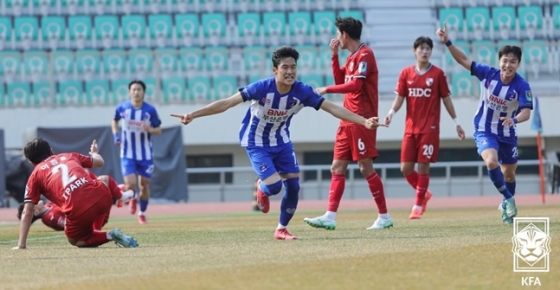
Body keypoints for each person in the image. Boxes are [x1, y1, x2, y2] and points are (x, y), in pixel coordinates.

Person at [171, 46, 384, 240]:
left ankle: (281, 228)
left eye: (293, 67)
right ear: (275, 70)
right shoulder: (261, 88)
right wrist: (193, 114)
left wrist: (363, 121)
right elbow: (226, 103)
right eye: (285, 68)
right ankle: (262, 188)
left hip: (282, 142)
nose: (290, 72)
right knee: (274, 186)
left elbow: (333, 108)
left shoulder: (302, 91)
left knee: (293, 186)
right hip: (256, 141)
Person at [437, 25, 533, 224]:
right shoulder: (488, 74)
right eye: (505, 61)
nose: (508, 65)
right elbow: (463, 60)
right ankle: (509, 200)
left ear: (518, 64)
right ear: (499, 62)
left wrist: (513, 120)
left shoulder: (522, 86)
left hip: (507, 132)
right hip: (484, 129)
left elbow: (526, 112)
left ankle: (506, 200)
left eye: (512, 62)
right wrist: (447, 41)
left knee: (509, 174)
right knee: (491, 162)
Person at [303, 17, 393, 231]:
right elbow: (341, 81)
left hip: (362, 119)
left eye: (337, 34)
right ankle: (330, 216)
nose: (336, 39)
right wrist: (334, 57)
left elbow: (355, 86)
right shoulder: (352, 57)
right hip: (346, 118)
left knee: (365, 167)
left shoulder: (365, 54)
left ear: (344, 34)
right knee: (337, 166)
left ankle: (384, 216)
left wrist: (326, 90)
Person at [384, 36, 466, 220]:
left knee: (423, 167)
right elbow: (400, 98)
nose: (425, 51)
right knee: (405, 168)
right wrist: (390, 113)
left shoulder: (438, 74)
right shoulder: (406, 73)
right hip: (410, 128)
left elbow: (446, 99)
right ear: (415, 51)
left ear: (431, 52)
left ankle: (417, 206)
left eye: (428, 48)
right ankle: (424, 193)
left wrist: (457, 122)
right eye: (421, 48)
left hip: (430, 128)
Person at [13, 138, 138, 249]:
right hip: (104, 197)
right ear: (51, 151)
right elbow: (100, 162)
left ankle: (110, 235)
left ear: (32, 163)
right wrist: (94, 153)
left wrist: (21, 244)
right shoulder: (68, 155)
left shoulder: (35, 175)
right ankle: (122, 197)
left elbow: (27, 211)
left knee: (75, 240)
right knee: (103, 180)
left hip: (80, 210)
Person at [112, 80, 162, 224]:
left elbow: (159, 130)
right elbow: (114, 121)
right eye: (133, 89)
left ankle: (142, 212)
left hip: (145, 153)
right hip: (127, 153)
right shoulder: (122, 108)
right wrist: (116, 135)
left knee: (144, 184)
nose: (136, 92)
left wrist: (150, 129)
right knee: (131, 184)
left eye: (139, 89)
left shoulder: (150, 110)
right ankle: (132, 198)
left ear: (143, 92)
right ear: (129, 92)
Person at [17, 177, 133, 231]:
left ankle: (118, 194)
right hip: (92, 219)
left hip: (89, 212)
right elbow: (69, 225)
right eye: (32, 205)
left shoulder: (48, 207)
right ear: (36, 211)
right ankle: (120, 195)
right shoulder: (51, 218)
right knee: (103, 181)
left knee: (99, 182)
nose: (33, 202)